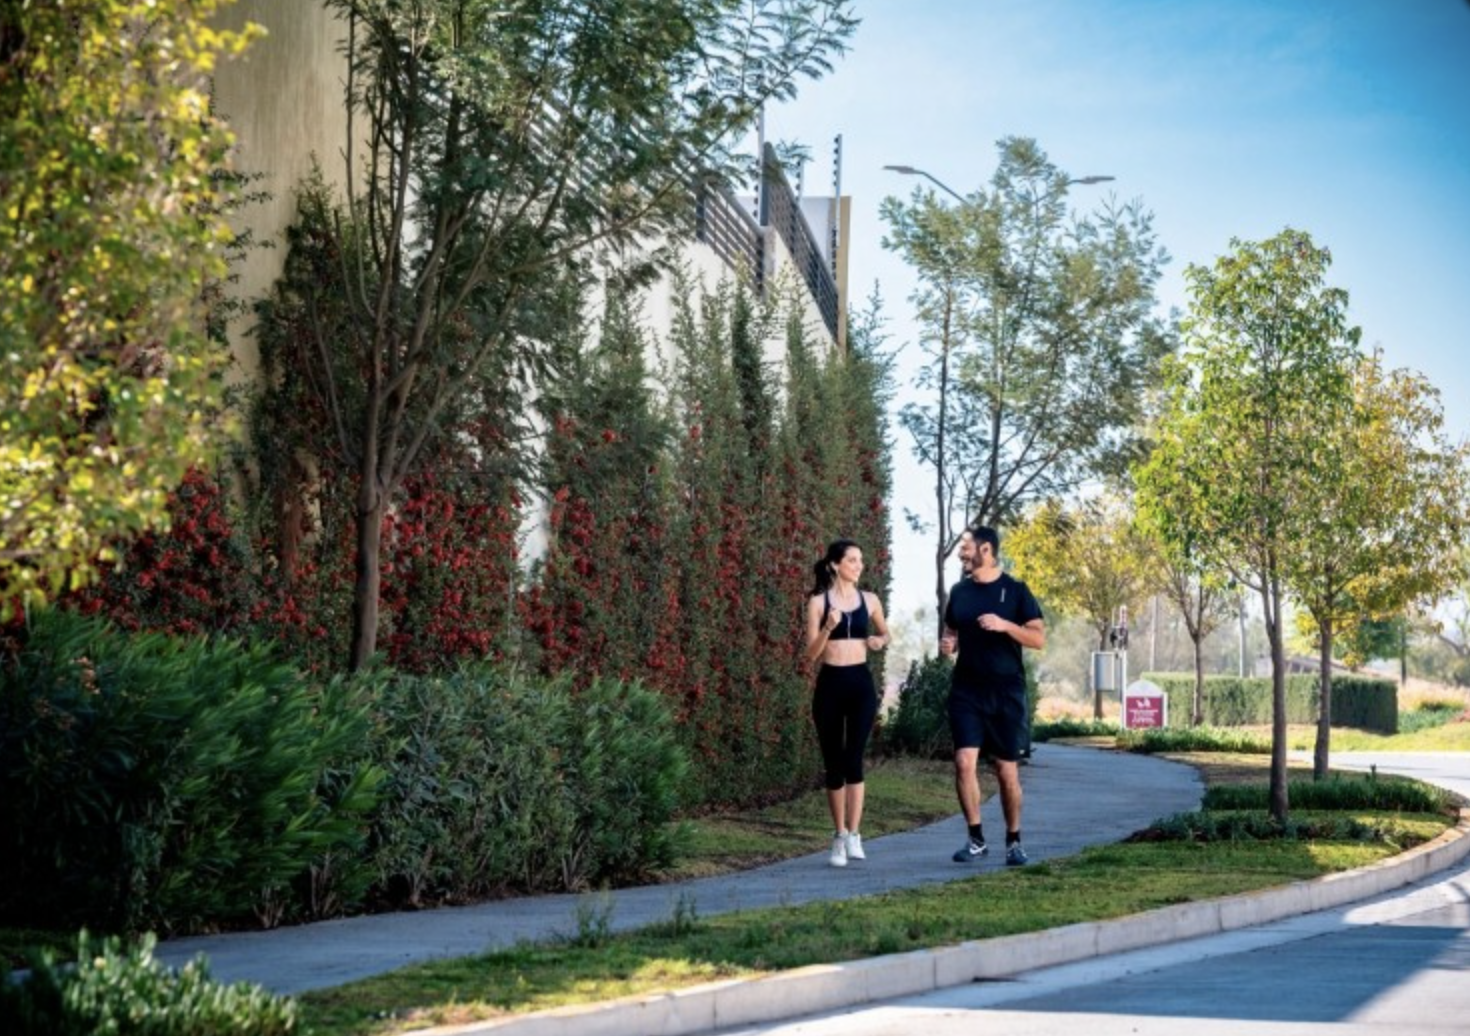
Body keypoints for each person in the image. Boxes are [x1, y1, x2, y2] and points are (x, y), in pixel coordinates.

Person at [940, 525, 1045, 866]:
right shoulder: (960, 591)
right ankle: (975, 840)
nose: (961, 552)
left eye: (966, 546)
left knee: (1005, 770)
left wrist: (1005, 626)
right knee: (963, 762)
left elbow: (1037, 638)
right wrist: (949, 644)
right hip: (967, 690)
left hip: (1006, 691)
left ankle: (1014, 842)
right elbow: (952, 628)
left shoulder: (1015, 591)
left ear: (986, 550)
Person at [806, 538, 890, 867]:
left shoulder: (869, 600)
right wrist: (827, 628)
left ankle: (855, 834)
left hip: (860, 685)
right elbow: (811, 655)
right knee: (834, 764)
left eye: (861, 560)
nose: (859, 566)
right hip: (830, 684)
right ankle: (839, 835)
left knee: (854, 758)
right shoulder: (818, 603)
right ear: (835, 565)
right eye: (853, 560)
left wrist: (878, 640)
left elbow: (886, 633)